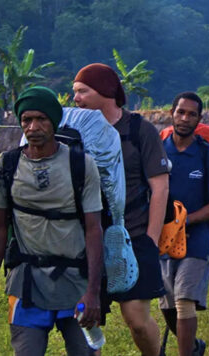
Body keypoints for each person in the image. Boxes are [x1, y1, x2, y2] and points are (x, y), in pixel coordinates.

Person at [0, 87, 103, 356]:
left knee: (85, 352)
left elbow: (94, 229)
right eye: (26, 120)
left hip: (76, 282)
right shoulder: (6, 165)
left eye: (41, 119)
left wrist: (94, 292)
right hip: (26, 283)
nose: (33, 127)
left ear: (54, 121)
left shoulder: (81, 165)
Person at [72, 63, 168, 356]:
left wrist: (151, 240)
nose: (75, 98)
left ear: (105, 91)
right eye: (74, 92)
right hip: (87, 240)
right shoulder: (73, 132)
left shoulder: (140, 130)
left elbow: (160, 187)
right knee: (87, 320)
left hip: (134, 235)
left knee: (137, 320)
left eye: (82, 91)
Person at [161, 92, 209, 356]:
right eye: (180, 112)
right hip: (162, 240)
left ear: (200, 119)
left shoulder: (207, 154)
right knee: (166, 306)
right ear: (171, 113)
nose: (185, 118)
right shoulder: (157, 150)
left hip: (196, 240)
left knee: (183, 301)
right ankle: (194, 345)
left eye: (191, 114)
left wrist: (186, 221)